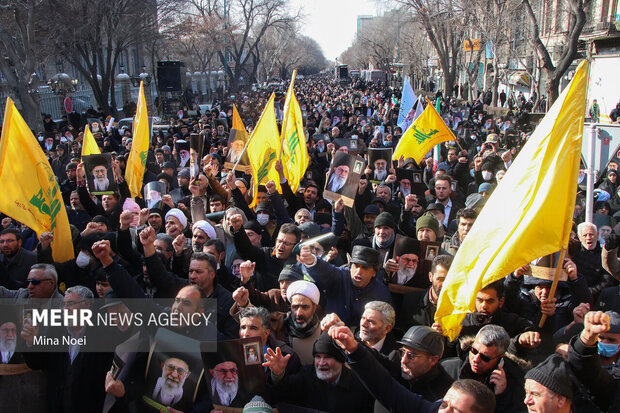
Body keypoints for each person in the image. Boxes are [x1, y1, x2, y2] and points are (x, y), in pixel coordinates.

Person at [326, 324, 496, 413]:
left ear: (434, 360)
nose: (445, 411)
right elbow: (384, 386)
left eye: (456, 411)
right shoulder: (429, 410)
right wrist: (353, 349)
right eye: (444, 404)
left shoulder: (440, 387)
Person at [264, 332, 375, 412]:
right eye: (318, 357)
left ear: (340, 360)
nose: (321, 363)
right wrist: (278, 374)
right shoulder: (307, 373)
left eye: (327, 357)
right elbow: (287, 391)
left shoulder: (359, 385)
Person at [299, 244, 392, 326]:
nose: (358, 271)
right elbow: (325, 271)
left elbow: (384, 323)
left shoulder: (381, 293)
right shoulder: (340, 276)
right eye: (355, 265)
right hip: (330, 335)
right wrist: (312, 262)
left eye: (365, 268)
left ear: (374, 272)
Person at [441, 325, 526, 412]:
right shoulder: (447, 368)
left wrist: (502, 396)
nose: (476, 359)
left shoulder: (515, 379)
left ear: (501, 357)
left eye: (485, 358)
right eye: (474, 351)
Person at [567, 310, 620, 411]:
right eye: (601, 337)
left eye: (611, 340)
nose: (604, 342)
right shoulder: (589, 361)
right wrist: (586, 341)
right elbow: (585, 369)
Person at [397, 255, 452, 331]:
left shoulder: (459, 307)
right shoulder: (410, 301)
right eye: (441, 279)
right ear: (430, 276)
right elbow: (401, 332)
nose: (445, 284)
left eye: (450, 279)